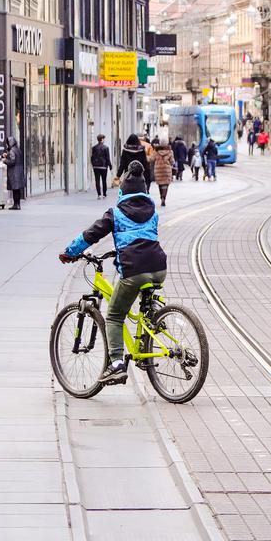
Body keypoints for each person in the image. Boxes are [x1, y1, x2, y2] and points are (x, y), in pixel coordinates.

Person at [59, 160, 168, 386]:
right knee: (143, 302)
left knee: (115, 316)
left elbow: (91, 235)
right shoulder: (152, 211)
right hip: (159, 267)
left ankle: (116, 364)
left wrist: (70, 252)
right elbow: (144, 236)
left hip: (134, 270)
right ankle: (153, 320)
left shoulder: (116, 213)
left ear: (122, 191)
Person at [3, 137, 26, 209]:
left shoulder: (12, 151)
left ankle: (16, 204)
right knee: (17, 190)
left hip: (14, 173)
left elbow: (12, 161)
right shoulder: (17, 150)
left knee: (15, 190)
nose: (7, 145)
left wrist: (4, 161)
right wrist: (7, 155)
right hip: (19, 172)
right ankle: (18, 204)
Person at [90, 134, 112, 199]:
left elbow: (92, 157)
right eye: (103, 138)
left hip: (96, 167)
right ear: (102, 139)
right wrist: (110, 165)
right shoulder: (106, 148)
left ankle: (99, 194)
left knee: (97, 180)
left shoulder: (94, 148)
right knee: (104, 180)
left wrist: (93, 164)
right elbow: (107, 158)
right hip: (103, 167)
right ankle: (104, 194)